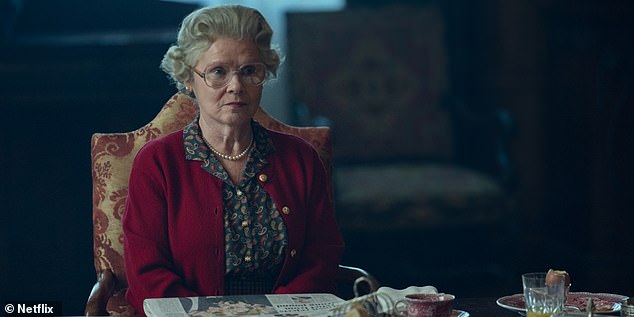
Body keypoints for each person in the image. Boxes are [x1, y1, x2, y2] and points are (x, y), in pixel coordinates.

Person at [122, 5, 344, 316]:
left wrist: (274, 312)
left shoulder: (301, 158)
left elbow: (322, 255)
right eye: (218, 72)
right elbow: (146, 273)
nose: (236, 86)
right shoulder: (157, 164)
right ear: (189, 77)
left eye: (249, 70)